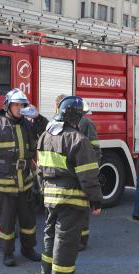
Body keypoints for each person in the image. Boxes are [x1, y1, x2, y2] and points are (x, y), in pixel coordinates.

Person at [0, 88, 48, 266]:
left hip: (25, 182)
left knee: (28, 220)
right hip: (4, 183)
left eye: (22, 104)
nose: (19, 107)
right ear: (8, 105)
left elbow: (48, 132)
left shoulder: (29, 124)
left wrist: (38, 117)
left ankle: (28, 248)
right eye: (16, 104)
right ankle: (8, 253)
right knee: (6, 222)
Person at [38, 96, 102, 274]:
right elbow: (88, 175)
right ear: (75, 117)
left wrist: (44, 190)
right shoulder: (78, 139)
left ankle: (45, 273)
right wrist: (95, 201)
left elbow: (39, 169)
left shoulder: (45, 136)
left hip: (50, 197)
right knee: (66, 241)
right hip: (71, 199)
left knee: (50, 235)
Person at [55, 94, 100, 251]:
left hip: (84, 169)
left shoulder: (86, 122)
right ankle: (75, 237)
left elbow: (95, 148)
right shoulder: (60, 123)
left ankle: (82, 239)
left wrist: (92, 169)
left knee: (83, 207)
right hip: (72, 172)